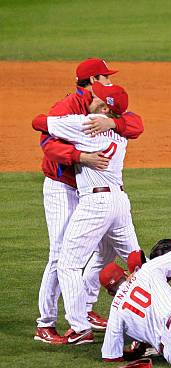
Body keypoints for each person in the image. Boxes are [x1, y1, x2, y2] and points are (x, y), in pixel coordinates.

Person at [34, 58, 144, 344]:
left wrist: (112, 121)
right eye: (105, 77)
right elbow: (46, 144)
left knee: (102, 254)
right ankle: (45, 323)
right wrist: (80, 157)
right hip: (64, 187)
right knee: (60, 255)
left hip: (93, 196)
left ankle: (82, 312)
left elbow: (134, 123)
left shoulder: (103, 108)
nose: (109, 81)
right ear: (93, 80)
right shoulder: (69, 110)